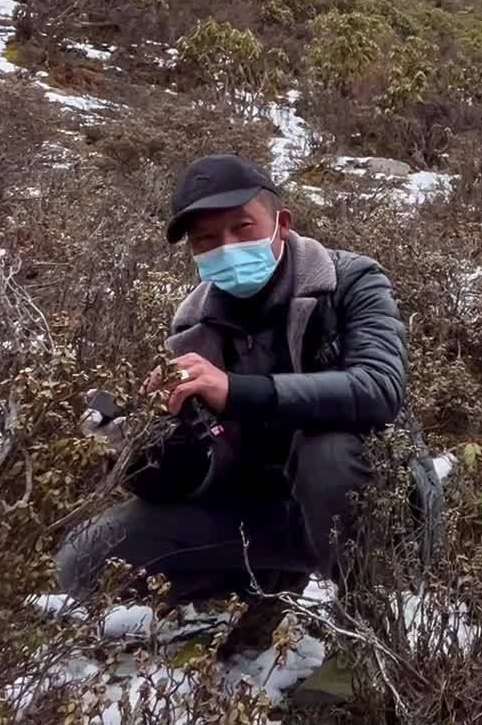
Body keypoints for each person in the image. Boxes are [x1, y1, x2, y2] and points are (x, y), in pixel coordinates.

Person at [56, 154, 435, 648]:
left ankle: (371, 634)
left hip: (385, 515)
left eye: (242, 228)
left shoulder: (351, 282)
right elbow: (199, 474)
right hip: (269, 516)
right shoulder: (192, 332)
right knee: (83, 558)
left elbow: (380, 388)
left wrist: (236, 391)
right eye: (207, 240)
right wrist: (140, 443)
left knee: (328, 455)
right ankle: (255, 598)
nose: (227, 248)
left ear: (282, 223)